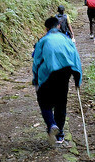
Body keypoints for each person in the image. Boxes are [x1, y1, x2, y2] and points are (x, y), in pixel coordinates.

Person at [32, 16, 83, 146]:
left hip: (48, 74)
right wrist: (78, 79)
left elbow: (36, 61)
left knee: (44, 102)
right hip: (65, 74)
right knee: (61, 103)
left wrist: (36, 80)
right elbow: (76, 59)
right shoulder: (67, 40)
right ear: (59, 26)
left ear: (46, 28)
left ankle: (51, 124)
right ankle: (60, 135)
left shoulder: (43, 41)